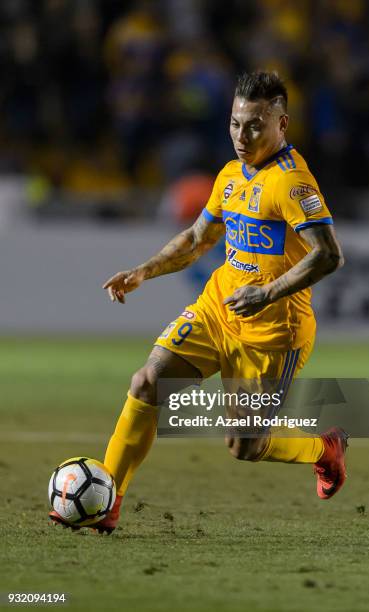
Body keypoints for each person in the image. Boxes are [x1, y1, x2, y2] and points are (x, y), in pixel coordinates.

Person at [49, 71, 347, 534]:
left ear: (282, 124)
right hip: (218, 309)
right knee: (148, 381)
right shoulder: (230, 176)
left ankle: (324, 450)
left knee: (244, 445)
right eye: (235, 123)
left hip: (272, 331)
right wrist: (143, 271)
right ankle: (109, 499)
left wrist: (268, 292)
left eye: (254, 125)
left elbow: (329, 255)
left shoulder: (291, 184)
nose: (241, 136)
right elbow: (196, 238)